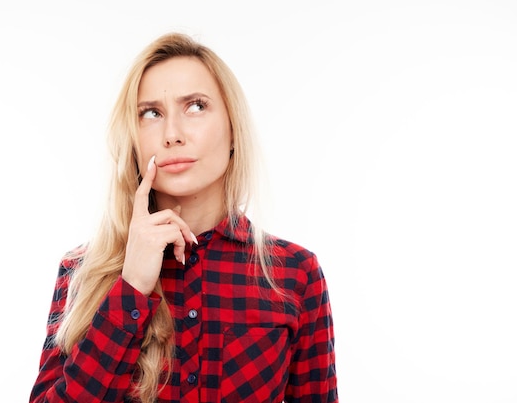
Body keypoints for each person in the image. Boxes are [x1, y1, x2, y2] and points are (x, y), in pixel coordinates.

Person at [29, 32, 338, 403]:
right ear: (133, 138)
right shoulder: (81, 271)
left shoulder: (294, 274)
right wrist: (130, 289)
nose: (172, 135)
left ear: (233, 130)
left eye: (195, 107)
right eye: (151, 113)